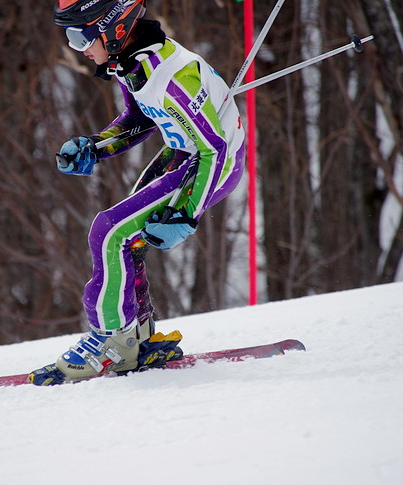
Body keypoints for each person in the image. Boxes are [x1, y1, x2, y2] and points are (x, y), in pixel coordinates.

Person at [28, 0, 245, 385]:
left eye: (81, 36)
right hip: (183, 152)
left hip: (209, 164)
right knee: (128, 240)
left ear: (113, 27)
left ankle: (113, 344)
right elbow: (140, 118)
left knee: (109, 231)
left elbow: (216, 149)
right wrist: (96, 146)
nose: (79, 47)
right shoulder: (134, 62)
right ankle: (138, 338)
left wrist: (187, 212)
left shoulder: (170, 78)